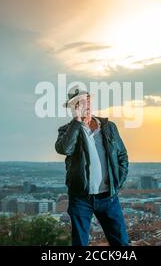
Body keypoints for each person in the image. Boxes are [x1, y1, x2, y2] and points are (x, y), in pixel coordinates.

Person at [55, 86, 130, 246]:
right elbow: (65, 148)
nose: (85, 104)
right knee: (80, 243)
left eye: (86, 99)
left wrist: (118, 182)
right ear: (73, 108)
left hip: (108, 197)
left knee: (121, 243)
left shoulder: (109, 127)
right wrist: (77, 122)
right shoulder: (67, 130)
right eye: (79, 102)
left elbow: (122, 156)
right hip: (81, 198)